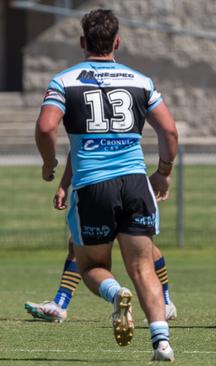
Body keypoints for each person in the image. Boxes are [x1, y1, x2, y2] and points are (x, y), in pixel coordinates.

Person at [34, 9, 177, 361]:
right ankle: (161, 341)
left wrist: (50, 163)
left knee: (91, 267)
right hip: (135, 183)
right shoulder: (141, 81)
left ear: (83, 42)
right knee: (144, 266)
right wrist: (163, 170)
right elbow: (169, 131)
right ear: (117, 42)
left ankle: (115, 295)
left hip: (93, 186)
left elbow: (46, 128)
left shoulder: (64, 81)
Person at [24, 155, 177, 323]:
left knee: (141, 250)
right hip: (126, 185)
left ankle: (164, 302)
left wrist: (164, 171)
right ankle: (60, 303)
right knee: (79, 244)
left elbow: (168, 132)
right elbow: (77, 149)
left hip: (107, 185)